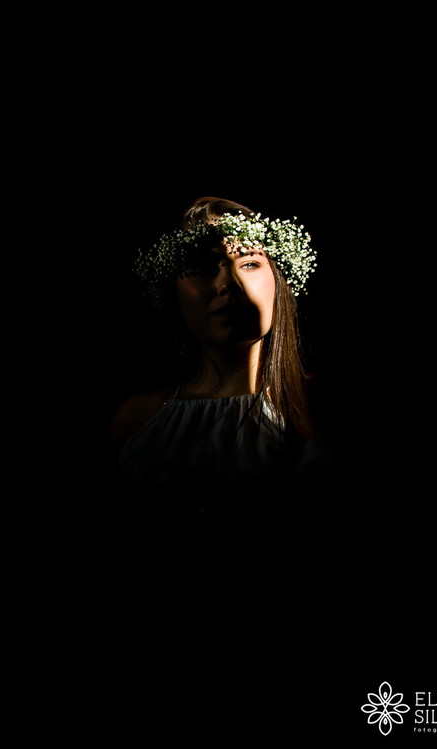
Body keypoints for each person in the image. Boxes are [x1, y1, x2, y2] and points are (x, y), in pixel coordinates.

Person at [105, 196, 331, 563]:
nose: (230, 284)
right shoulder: (138, 421)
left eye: (250, 262)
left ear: (278, 278)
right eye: (204, 267)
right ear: (174, 291)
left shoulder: (319, 403)